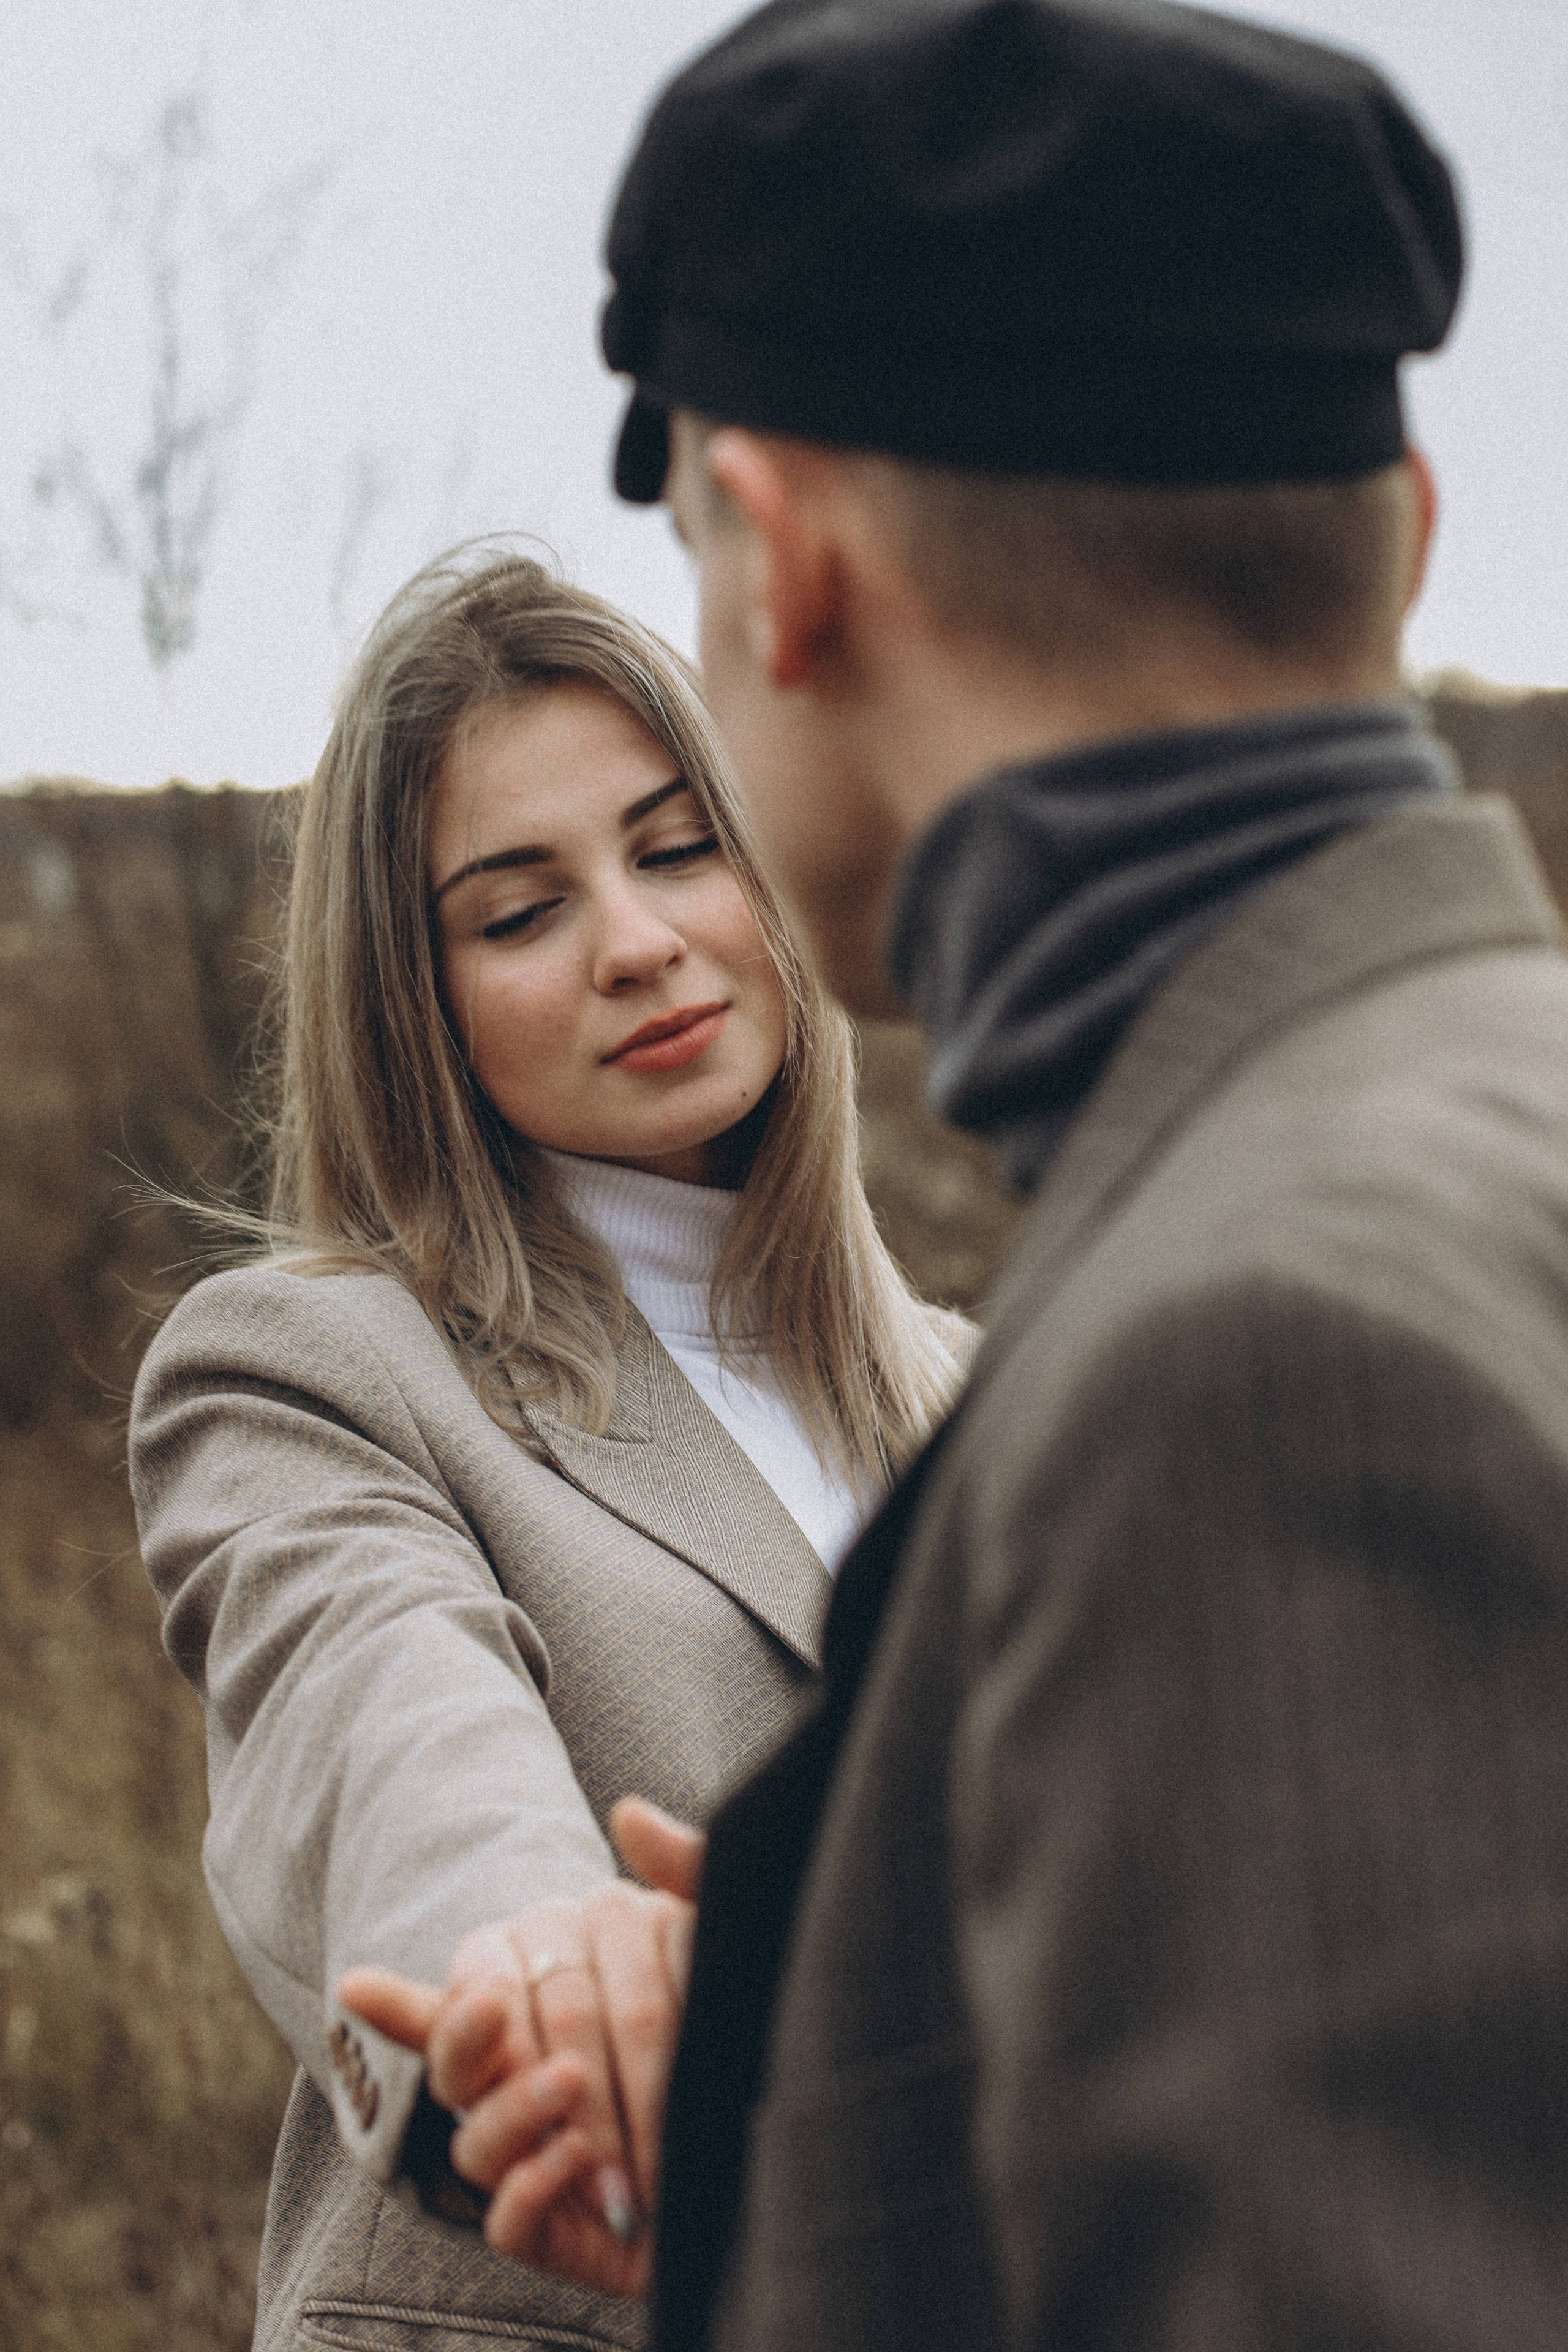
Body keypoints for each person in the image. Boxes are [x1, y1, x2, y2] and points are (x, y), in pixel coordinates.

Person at [353, 4, 1568, 2350]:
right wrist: (849, 2051)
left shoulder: (1266, 1364)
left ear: (783, 574)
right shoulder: (1479, 1114)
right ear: (1401, 543)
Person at [128, 548, 970, 2351]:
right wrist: (542, 1968)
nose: (638, 942)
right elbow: (385, 1714)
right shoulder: (314, 1365)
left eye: (677, 849)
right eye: (520, 913)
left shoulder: (992, 1404)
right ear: (413, 1001)